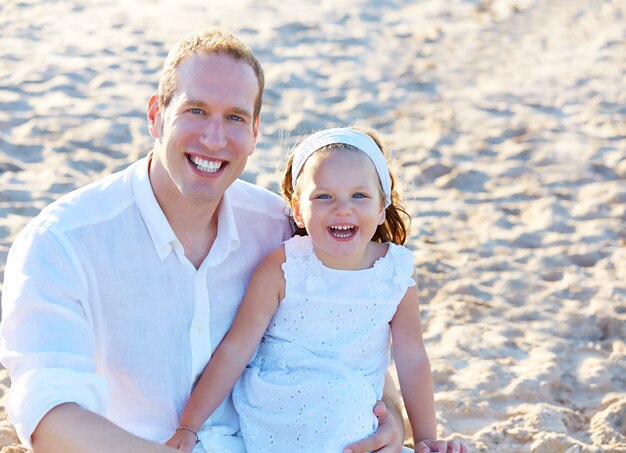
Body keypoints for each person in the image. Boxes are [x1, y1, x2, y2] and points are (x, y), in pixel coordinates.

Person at [0, 29, 410, 453]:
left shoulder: (282, 228)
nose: (214, 139)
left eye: (234, 117)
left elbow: (349, 329)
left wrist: (392, 419)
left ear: (254, 133)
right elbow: (49, 415)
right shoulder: (62, 242)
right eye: (196, 111)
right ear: (156, 115)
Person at [165, 127, 469, 453]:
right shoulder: (285, 266)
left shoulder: (395, 272)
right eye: (323, 196)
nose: (342, 209)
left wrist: (425, 439)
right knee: (347, 411)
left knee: (354, 416)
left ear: (382, 207)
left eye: (359, 196)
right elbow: (236, 349)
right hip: (282, 399)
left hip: (354, 404)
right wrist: (190, 424)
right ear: (298, 209)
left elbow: (412, 358)